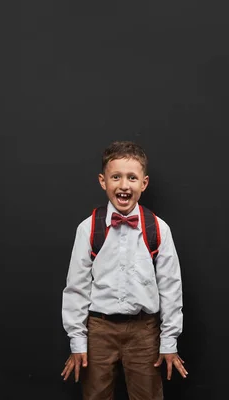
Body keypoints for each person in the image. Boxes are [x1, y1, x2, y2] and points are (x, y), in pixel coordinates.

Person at [61, 141, 187, 400]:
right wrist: (77, 340)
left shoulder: (158, 229)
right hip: (99, 330)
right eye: (115, 177)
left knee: (148, 396)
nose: (124, 185)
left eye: (132, 178)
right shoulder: (89, 228)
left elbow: (171, 288)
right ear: (102, 181)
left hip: (144, 331)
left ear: (144, 183)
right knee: (95, 395)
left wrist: (169, 341)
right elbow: (76, 288)